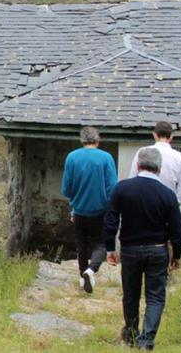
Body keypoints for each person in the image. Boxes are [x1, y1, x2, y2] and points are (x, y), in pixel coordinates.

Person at [105, 147, 181, 350]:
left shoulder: (122, 188)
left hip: (130, 249)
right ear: (159, 169)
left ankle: (131, 333)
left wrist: (110, 248)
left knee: (130, 294)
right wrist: (176, 254)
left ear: (138, 165)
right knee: (155, 296)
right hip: (158, 250)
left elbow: (111, 220)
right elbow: (177, 230)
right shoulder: (168, 195)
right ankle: (146, 340)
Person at [61, 126, 118, 294]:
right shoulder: (106, 158)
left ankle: (82, 276)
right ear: (97, 140)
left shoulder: (72, 157)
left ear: (82, 140)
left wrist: (75, 201)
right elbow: (112, 187)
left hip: (79, 210)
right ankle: (91, 270)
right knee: (101, 244)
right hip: (100, 211)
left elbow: (66, 189)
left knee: (82, 244)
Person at [128, 121, 181, 204]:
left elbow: (132, 178)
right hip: (167, 203)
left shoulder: (142, 152)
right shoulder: (179, 157)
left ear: (154, 135)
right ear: (171, 136)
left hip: (143, 202)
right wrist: (177, 203)